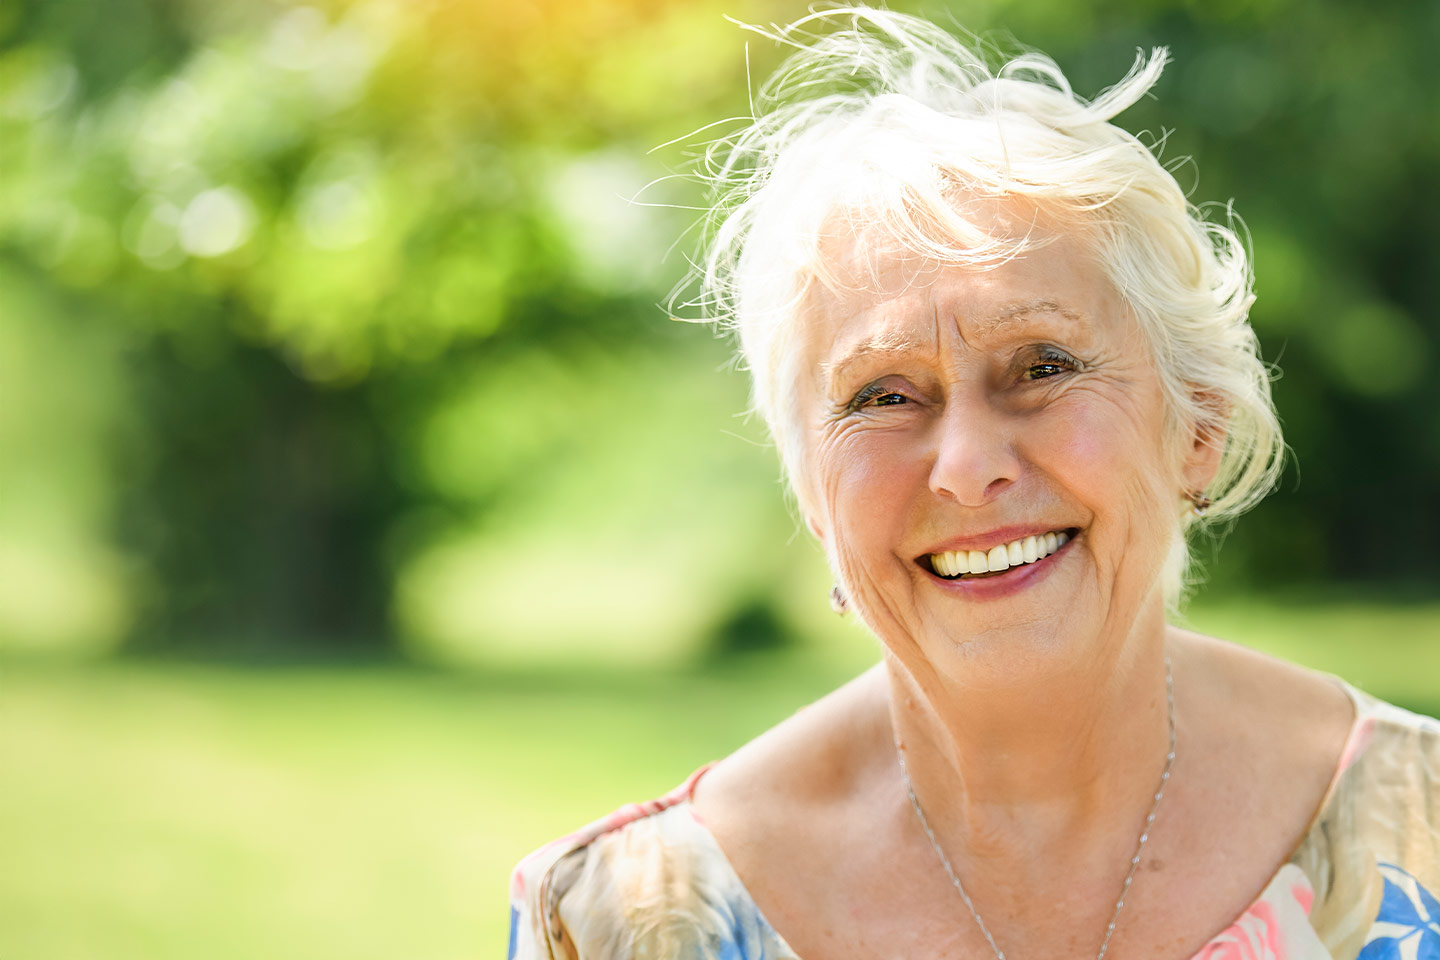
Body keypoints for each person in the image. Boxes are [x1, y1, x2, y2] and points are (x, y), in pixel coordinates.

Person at [507, 9, 1440, 959]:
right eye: (883, 394)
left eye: (1042, 366)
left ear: (1197, 427)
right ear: (812, 493)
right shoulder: (620, 923)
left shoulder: (1426, 833)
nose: (966, 466)